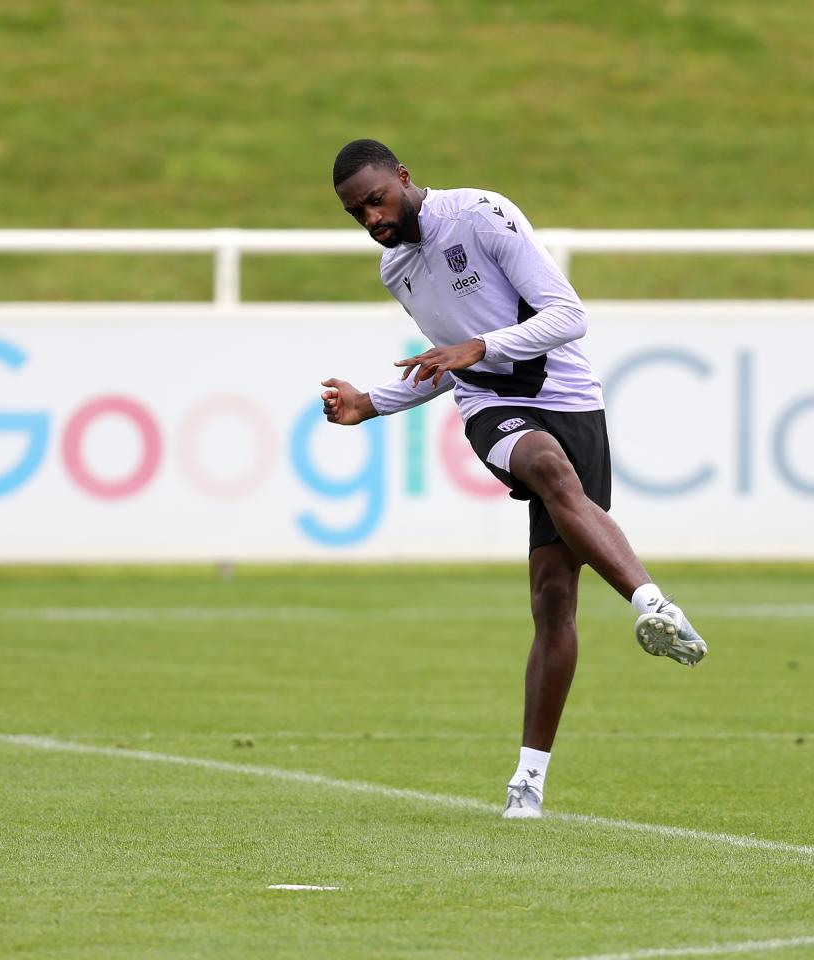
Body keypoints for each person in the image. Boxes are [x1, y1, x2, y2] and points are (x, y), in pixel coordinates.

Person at [320, 139, 707, 820]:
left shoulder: (481, 215)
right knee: (547, 469)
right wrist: (370, 403)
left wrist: (482, 346)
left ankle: (529, 778)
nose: (372, 220)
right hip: (492, 408)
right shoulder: (397, 269)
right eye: (356, 213)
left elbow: (569, 316)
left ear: (405, 178)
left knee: (555, 598)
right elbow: (446, 367)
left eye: (377, 200)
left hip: (572, 401)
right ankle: (652, 606)